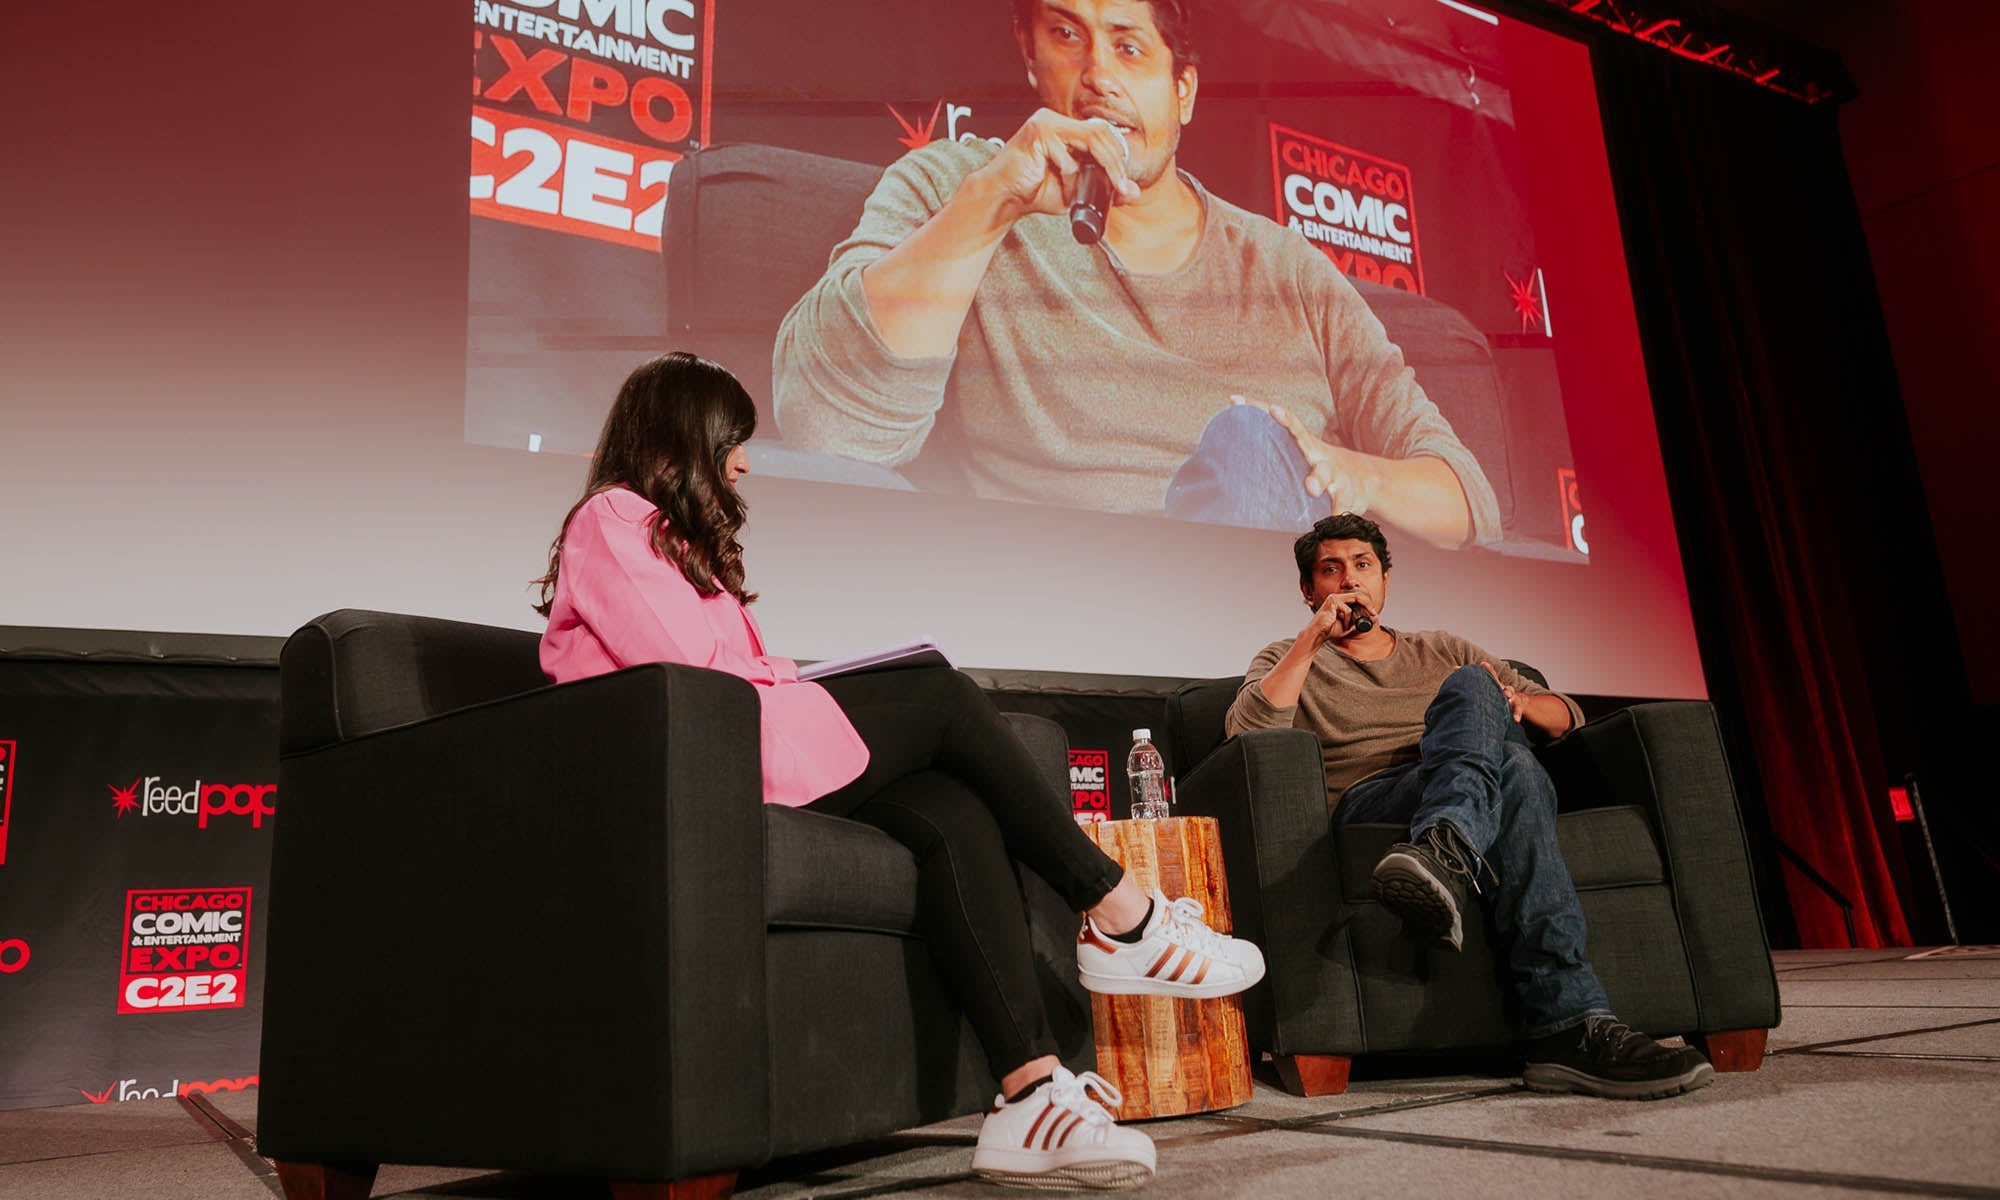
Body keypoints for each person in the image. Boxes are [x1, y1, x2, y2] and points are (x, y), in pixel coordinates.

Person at [535, 352, 1266, 1188]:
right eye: (733, 440)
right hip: (692, 767)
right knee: (940, 692)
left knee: (951, 807)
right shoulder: (612, 518)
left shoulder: (680, 547)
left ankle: (1029, 1098)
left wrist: (797, 680)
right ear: (684, 437)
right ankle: (1123, 913)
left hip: (748, 747)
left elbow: (745, 670)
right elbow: (695, 674)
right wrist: (801, 683)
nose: (742, 461)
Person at [773, 0, 1498, 547]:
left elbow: (1466, 500)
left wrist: (1344, 473)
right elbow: (824, 425)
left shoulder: (1290, 269)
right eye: (1066, 37)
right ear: (1029, 56)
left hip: (1272, 625)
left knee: (1250, 443)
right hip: (1073, 604)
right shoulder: (959, 188)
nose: (1097, 78)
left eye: (1128, 47)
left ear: (1182, 90)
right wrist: (995, 204)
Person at [1223, 512, 1716, 1100]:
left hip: (1462, 783)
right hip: (1376, 799)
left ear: (1384, 580)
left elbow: (1569, 717)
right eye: (1331, 570)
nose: (1349, 581)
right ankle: (1571, 1022)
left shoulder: (1441, 647)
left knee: (1498, 729)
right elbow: (1247, 730)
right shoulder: (1288, 655)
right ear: (1310, 590)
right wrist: (1312, 639)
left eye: (1362, 566)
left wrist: (1517, 704)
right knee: (1513, 765)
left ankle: (1444, 853)